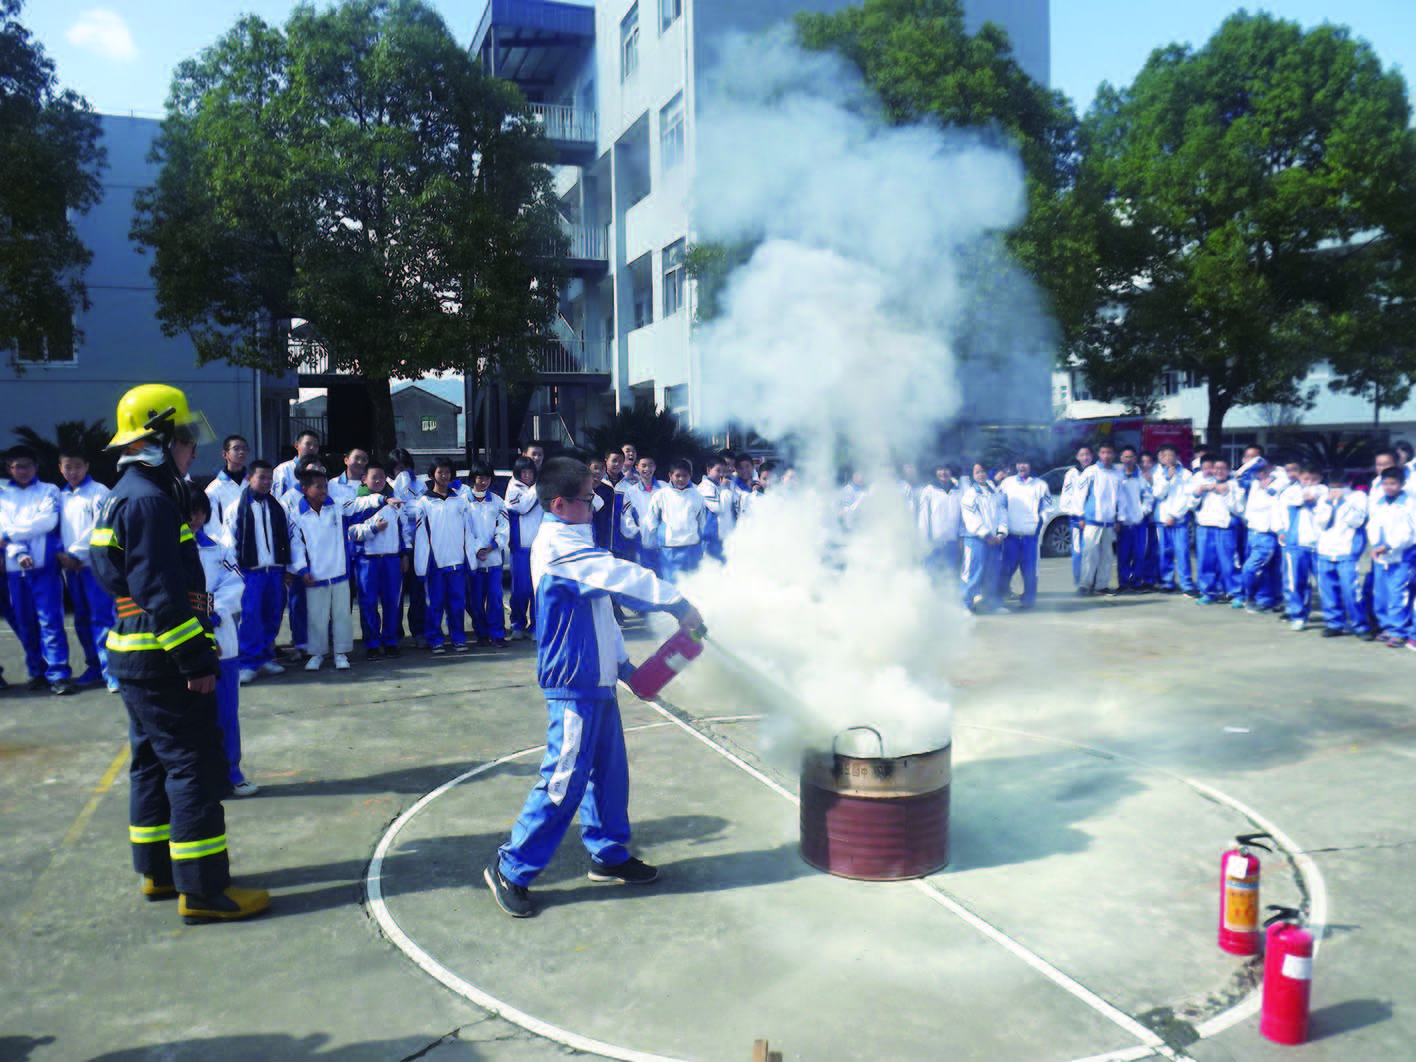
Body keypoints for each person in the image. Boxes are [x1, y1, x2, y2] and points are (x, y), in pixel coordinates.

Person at [484, 458, 704, 919]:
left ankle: (608, 854)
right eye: (588, 499)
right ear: (560, 503)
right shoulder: (559, 545)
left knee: (609, 773)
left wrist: (623, 663)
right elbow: (621, 578)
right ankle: (512, 867)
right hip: (573, 682)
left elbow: (601, 610)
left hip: (598, 679)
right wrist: (677, 602)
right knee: (563, 780)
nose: (595, 506)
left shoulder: (577, 543)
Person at [88, 383, 269, 923]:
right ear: (161, 438)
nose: (193, 450)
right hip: (164, 659)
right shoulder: (148, 501)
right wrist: (195, 661)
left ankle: (160, 874)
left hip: (137, 655)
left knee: (150, 763)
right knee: (193, 766)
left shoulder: (125, 491)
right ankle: (205, 890)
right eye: (186, 440)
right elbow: (161, 592)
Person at [189, 490, 258, 797]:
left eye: (199, 511)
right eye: (188, 512)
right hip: (185, 643)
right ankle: (195, 777)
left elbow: (235, 584)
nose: (194, 518)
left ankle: (232, 772)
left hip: (222, 644)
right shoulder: (165, 552)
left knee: (226, 713)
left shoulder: (219, 550)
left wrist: (213, 610)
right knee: (190, 716)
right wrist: (200, 609)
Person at [0, 446, 75, 694]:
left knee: (50, 621)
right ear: (10, 468)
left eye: (27, 465)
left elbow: (47, 522)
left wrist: (12, 533)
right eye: (17, 466)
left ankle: (58, 672)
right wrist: (17, 551)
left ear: (36, 466)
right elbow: (3, 531)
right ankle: (37, 672)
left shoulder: (49, 490)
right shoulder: (2, 493)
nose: (23, 471)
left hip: (44, 568)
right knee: (25, 623)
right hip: (14, 569)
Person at [57, 448, 118, 691]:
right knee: (81, 619)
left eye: (77, 466)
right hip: (71, 570)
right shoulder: (60, 496)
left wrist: (75, 554)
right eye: (67, 467)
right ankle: (94, 666)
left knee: (103, 618)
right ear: (60, 468)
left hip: (94, 566)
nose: (73, 472)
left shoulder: (99, 492)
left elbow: (101, 527)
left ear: (87, 466)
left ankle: (112, 672)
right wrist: (63, 557)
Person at [225, 460, 290, 685]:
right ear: (249, 478)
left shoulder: (276, 506)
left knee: (272, 615)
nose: (266, 482)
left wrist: (288, 566)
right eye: (261, 477)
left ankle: (264, 657)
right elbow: (229, 542)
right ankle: (247, 662)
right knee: (250, 617)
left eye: (269, 478)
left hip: (274, 570)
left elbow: (287, 538)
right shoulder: (237, 508)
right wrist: (235, 573)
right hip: (250, 572)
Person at [288, 468, 353, 670]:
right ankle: (316, 654)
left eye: (325, 486)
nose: (324, 490)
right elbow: (295, 544)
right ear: (305, 489)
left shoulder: (337, 507)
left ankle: (341, 653)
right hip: (315, 575)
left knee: (342, 615)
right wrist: (302, 569)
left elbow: (359, 505)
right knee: (316, 616)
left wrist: (381, 500)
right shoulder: (296, 514)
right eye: (319, 487)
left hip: (339, 572)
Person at [348, 459, 408, 660]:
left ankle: (390, 641)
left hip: (390, 559)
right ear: (364, 479)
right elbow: (352, 533)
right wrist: (372, 529)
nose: (379, 481)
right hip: (367, 560)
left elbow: (404, 529)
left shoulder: (394, 501)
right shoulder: (357, 503)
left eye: (382, 477)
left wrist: (404, 554)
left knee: (392, 602)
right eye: (375, 477)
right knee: (368, 603)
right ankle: (372, 643)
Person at [411, 458, 470, 654]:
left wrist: (470, 557)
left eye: (447, 472)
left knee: (456, 604)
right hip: (435, 562)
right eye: (440, 472)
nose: (444, 476)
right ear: (432, 475)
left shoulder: (460, 501)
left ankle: (458, 638)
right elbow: (420, 536)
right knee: (434, 604)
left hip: (457, 562)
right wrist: (422, 565)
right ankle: (435, 639)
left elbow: (468, 532)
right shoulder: (423, 503)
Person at [1314, 474, 1371, 639]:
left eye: (1339, 486)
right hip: (1325, 549)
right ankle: (1334, 623)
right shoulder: (1324, 500)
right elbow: (1321, 522)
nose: (1336, 490)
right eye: (1333, 486)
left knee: (1351, 590)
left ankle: (1359, 625)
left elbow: (1356, 521)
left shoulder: (1357, 498)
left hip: (1346, 550)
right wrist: (1330, 505)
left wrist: (1342, 503)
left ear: (1347, 485)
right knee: (1328, 590)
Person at [1366, 467, 1414, 647]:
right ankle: (1386, 626)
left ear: (1402, 484)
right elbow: (1372, 525)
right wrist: (1375, 544)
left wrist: (1390, 545)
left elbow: (1409, 532)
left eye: (1393, 483)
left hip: (1401, 556)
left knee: (1397, 594)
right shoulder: (1379, 502)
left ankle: (1398, 630)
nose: (1389, 487)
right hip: (1380, 556)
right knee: (1381, 594)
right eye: (1386, 483)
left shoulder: (1409, 503)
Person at [464, 460, 510, 648]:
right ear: (473, 478)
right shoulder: (463, 502)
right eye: (479, 477)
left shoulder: (497, 501)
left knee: (495, 598)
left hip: (493, 560)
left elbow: (504, 527)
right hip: (474, 559)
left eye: (487, 478)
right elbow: (463, 529)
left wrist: (492, 546)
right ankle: (481, 632)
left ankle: (497, 633)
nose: (483, 482)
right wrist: (476, 548)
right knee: (475, 600)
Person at [1073, 445, 1129, 595]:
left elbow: (1121, 499)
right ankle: (1085, 585)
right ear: (1099, 454)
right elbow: (1080, 494)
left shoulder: (1117, 474)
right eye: (1103, 452)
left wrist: (1120, 518)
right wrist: (1080, 515)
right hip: (1092, 520)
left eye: (1109, 452)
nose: (1106, 455)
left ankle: (1101, 586)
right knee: (1089, 553)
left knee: (1107, 556)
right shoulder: (1090, 472)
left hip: (1109, 521)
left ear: (1113, 454)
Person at [643, 458, 707, 583]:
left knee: (691, 582)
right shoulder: (660, 495)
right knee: (671, 583)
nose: (681, 479)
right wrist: (649, 543)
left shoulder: (697, 495)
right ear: (670, 475)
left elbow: (702, 522)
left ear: (690, 476)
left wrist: (703, 544)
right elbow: (651, 521)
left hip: (692, 546)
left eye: (685, 475)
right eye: (677, 475)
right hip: (669, 547)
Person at [999, 459, 1052, 610]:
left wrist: (1039, 523)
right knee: (1006, 568)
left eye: (1026, 463)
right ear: (1016, 465)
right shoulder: (1007, 483)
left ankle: (1029, 600)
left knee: (1030, 570)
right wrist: (1002, 527)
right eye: (1019, 463)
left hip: (1030, 535)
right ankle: (1000, 599)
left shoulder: (1040, 485)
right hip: (1011, 535)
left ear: (1030, 465)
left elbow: (1047, 508)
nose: (1022, 466)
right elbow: (999, 505)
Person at [1192, 456, 1245, 605]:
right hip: (1204, 527)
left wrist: (1225, 494)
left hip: (1225, 529)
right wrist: (1198, 492)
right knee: (1205, 562)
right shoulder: (1204, 483)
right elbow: (1191, 504)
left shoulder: (1234, 485)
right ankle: (1208, 592)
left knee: (1228, 563)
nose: (1219, 471)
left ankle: (1235, 593)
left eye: (1223, 468)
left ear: (1228, 470)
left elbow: (1240, 510)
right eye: (1216, 468)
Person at [1278, 467, 1325, 631]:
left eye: (1313, 479)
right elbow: (1282, 511)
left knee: (1324, 582)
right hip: (1296, 544)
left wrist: (1315, 497)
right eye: (1305, 479)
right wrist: (1281, 530)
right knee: (1296, 581)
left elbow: (1321, 495)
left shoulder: (1325, 491)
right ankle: (1298, 614)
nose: (1309, 483)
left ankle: (1334, 617)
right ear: (1299, 478)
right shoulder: (1290, 492)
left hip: (1321, 546)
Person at [389, 448, 427, 648]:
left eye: (406, 467)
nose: (403, 472)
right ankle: (394, 631)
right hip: (396, 548)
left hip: (419, 546)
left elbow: (422, 509)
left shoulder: (420, 485)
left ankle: (419, 630)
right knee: (395, 592)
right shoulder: (388, 486)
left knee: (418, 591)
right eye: (398, 467)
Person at [1239, 463, 1288, 613]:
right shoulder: (1254, 484)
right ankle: (1250, 597)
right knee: (1253, 567)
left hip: (1275, 532)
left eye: (1263, 471)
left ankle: (1271, 599)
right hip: (1260, 532)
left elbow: (1276, 491)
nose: (1260, 475)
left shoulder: (1281, 480)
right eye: (1257, 472)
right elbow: (1239, 477)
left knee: (1274, 570)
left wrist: (1270, 483)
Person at [504, 456, 544, 641]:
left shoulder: (541, 487)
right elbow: (523, 507)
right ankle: (517, 623)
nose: (527, 476)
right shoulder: (513, 489)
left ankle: (536, 625)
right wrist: (537, 487)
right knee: (520, 589)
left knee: (537, 589)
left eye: (530, 472)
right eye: (524, 473)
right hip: (520, 547)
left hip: (540, 546)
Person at [959, 463, 1007, 612]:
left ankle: (991, 604)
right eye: (977, 472)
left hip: (994, 540)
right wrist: (985, 534)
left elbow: (1002, 513)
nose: (981, 474)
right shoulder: (970, 495)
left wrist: (1001, 532)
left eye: (983, 471)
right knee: (973, 572)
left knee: (992, 572)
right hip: (976, 539)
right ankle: (965, 605)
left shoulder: (995, 493)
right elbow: (971, 517)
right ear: (973, 476)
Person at [1151, 445, 1196, 597]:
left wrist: (1175, 515)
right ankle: (1167, 581)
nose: (1168, 459)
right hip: (1162, 520)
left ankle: (1187, 584)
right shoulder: (1158, 474)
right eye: (1165, 456)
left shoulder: (1186, 474)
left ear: (1176, 457)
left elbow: (1187, 498)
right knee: (1164, 552)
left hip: (1179, 520)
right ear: (1161, 458)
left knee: (1182, 552)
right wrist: (1167, 478)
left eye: (1171, 456)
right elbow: (1157, 494)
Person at [620, 456, 668, 577]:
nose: (647, 469)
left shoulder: (665, 488)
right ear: (637, 468)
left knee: (665, 575)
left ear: (655, 467)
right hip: (642, 542)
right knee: (645, 575)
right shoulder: (631, 491)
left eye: (651, 465)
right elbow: (626, 516)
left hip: (664, 541)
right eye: (644, 465)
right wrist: (636, 532)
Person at [1115, 446, 1154, 592]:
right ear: (1121, 459)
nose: (1128, 460)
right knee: (1123, 554)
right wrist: (1117, 518)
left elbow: (1148, 497)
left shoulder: (1142, 477)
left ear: (1135, 458)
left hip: (1139, 522)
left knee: (1139, 553)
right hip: (1123, 523)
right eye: (1125, 457)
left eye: (1130, 457)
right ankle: (1124, 583)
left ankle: (1137, 581)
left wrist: (1142, 512)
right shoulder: (1117, 476)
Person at [917, 463, 961, 579]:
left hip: (952, 539)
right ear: (936, 473)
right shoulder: (929, 491)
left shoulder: (958, 490)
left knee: (951, 570)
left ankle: (949, 593)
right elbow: (924, 517)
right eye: (940, 470)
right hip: (935, 540)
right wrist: (924, 538)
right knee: (932, 570)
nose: (943, 473)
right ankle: (932, 594)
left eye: (946, 470)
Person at [1060, 447, 1093, 588]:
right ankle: (1078, 579)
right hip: (1076, 518)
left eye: (1087, 454)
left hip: (1093, 518)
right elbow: (1067, 496)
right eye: (1082, 455)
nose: (1085, 457)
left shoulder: (1096, 471)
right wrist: (1076, 513)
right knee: (1078, 550)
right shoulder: (1071, 474)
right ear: (1077, 457)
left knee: (1092, 550)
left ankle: (1091, 580)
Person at [204, 435, 251, 527]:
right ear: (225, 454)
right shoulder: (214, 489)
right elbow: (212, 526)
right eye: (236, 448)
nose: (241, 452)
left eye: (245, 449)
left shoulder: (252, 483)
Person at [698, 453, 738, 562]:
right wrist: (725, 490)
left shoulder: (720, 486)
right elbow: (718, 508)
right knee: (713, 566)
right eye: (717, 470)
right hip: (712, 536)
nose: (721, 474)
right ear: (708, 470)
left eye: (723, 471)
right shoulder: (705, 487)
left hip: (724, 535)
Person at [273, 430, 321, 500]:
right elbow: (277, 497)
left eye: (316, 446)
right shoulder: (283, 469)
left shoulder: (319, 470)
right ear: (296, 445)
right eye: (308, 444)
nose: (312, 448)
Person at [1138, 451, 1161, 589]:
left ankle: (1153, 578)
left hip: (1155, 518)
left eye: (1148, 462)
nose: (1145, 464)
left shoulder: (1157, 475)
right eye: (1143, 462)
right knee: (1143, 550)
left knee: (1154, 550)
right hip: (1142, 517)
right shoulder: (1137, 475)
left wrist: (1152, 482)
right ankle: (1143, 578)